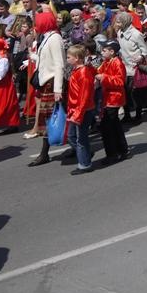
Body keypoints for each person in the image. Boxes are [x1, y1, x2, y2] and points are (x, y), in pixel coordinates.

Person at [24, 11, 65, 166]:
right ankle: (46, 152)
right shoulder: (48, 36)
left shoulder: (55, 38)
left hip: (52, 83)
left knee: (54, 117)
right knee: (50, 119)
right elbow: (46, 59)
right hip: (46, 82)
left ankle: (45, 153)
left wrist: (58, 89)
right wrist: (34, 56)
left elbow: (59, 64)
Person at [95, 41, 130, 165]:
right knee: (115, 125)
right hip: (107, 97)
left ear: (112, 52)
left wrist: (104, 78)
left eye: (104, 50)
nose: (102, 52)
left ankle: (112, 154)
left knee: (107, 126)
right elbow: (98, 71)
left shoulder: (117, 63)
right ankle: (122, 149)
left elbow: (120, 81)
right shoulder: (106, 62)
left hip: (114, 98)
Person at [65, 44, 96, 174]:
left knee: (81, 138)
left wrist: (78, 114)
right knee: (71, 136)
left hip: (83, 110)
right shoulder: (77, 71)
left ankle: (84, 164)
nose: (67, 59)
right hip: (75, 109)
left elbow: (84, 96)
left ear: (77, 58)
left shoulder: (83, 73)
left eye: (69, 57)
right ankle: (86, 154)